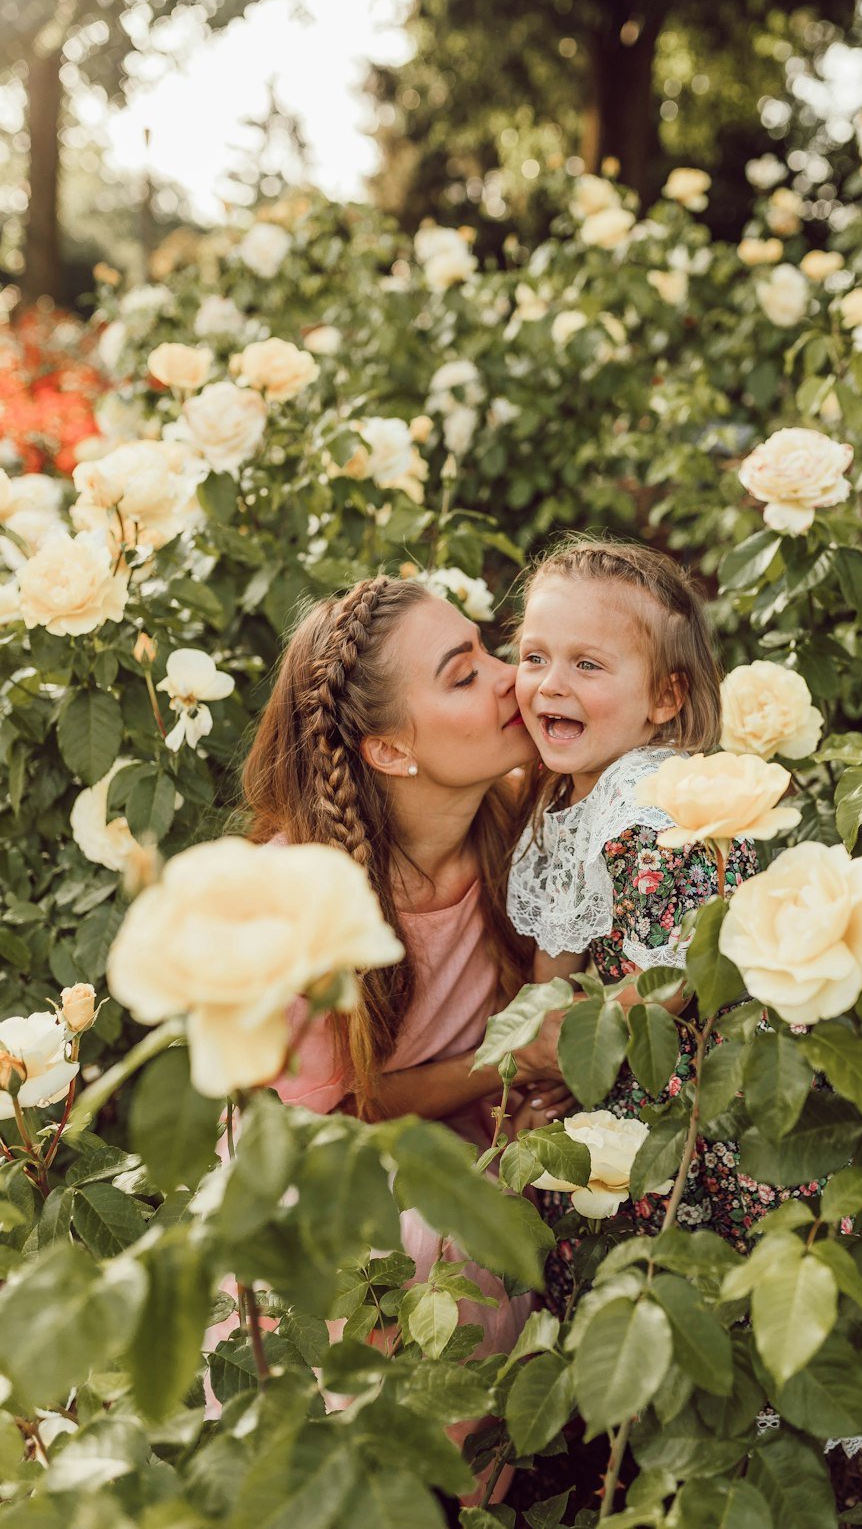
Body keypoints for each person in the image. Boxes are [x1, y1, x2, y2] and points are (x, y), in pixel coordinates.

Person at [232, 574, 570, 1499]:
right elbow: (349, 1105)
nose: (511, 680)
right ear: (388, 748)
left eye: (491, 650)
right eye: (464, 676)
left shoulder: (522, 818)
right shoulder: (305, 898)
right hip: (335, 1162)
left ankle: (477, 1481)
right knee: (421, 1237)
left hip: (473, 1127)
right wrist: (512, 1058)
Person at [506, 539, 827, 1312]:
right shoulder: (568, 799)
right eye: (534, 656)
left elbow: (670, 986)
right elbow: (556, 954)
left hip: (681, 1083)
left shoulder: (655, 805)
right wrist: (539, 1056)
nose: (551, 683)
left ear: (664, 698)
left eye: (588, 665)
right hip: (609, 1062)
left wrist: (558, 1054)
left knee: (694, 1255)